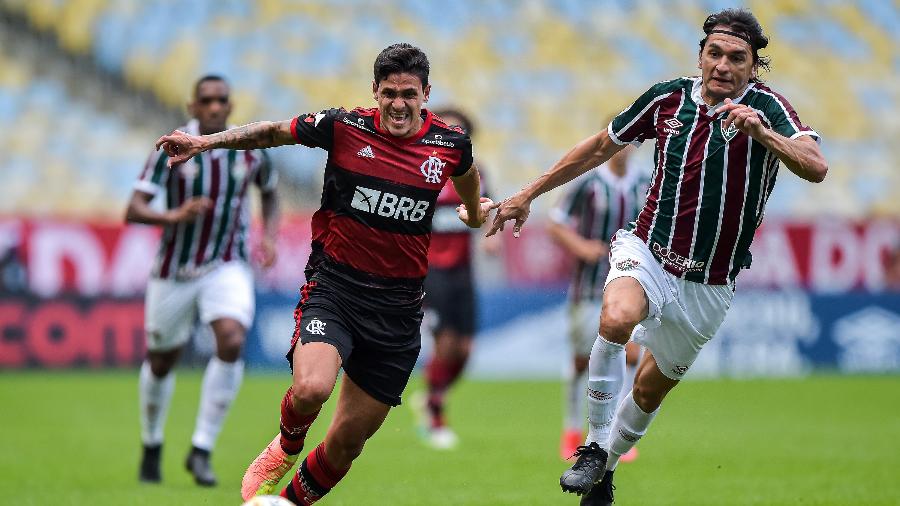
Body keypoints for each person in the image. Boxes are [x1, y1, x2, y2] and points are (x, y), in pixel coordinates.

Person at [488, 9, 827, 505]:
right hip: (648, 250)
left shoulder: (770, 109)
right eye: (714, 53)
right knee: (617, 315)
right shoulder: (668, 98)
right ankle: (594, 448)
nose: (723, 65)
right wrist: (529, 192)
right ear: (700, 55)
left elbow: (816, 167)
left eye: (737, 58)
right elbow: (601, 145)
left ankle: (602, 470)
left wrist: (764, 135)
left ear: (754, 66)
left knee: (647, 394)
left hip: (709, 285)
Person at [154, 43, 492, 505]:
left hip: (398, 310)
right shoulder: (343, 127)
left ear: (425, 94)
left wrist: (473, 211)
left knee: (346, 443)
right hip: (336, 288)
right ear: (375, 91)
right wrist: (206, 142)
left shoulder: (449, 144)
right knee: (312, 388)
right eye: (389, 92)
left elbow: (467, 173)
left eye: (408, 94)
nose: (398, 103)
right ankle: (287, 445)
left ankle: (288, 503)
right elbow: (273, 132)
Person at [127, 74, 280, 487]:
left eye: (221, 101)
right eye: (206, 101)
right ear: (192, 107)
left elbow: (269, 190)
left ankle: (201, 448)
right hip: (175, 268)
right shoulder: (170, 148)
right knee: (161, 360)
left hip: (227, 263)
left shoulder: (250, 151)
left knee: (231, 340)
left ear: (230, 107)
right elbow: (134, 209)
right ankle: (152, 443)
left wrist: (267, 235)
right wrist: (174, 216)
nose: (214, 107)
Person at [547, 145, 647, 461]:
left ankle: (616, 432)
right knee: (582, 362)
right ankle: (572, 429)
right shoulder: (590, 184)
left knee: (631, 355)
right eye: (619, 143)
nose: (624, 150)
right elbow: (555, 222)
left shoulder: (646, 183)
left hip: (632, 285)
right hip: (589, 287)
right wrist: (580, 246)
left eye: (632, 143)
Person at [417, 107, 501, 450]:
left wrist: (491, 238)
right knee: (447, 344)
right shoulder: (423, 171)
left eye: (460, 130)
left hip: (463, 272)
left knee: (465, 352)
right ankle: (435, 415)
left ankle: (431, 393)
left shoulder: (473, 174)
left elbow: (488, 210)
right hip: (429, 270)